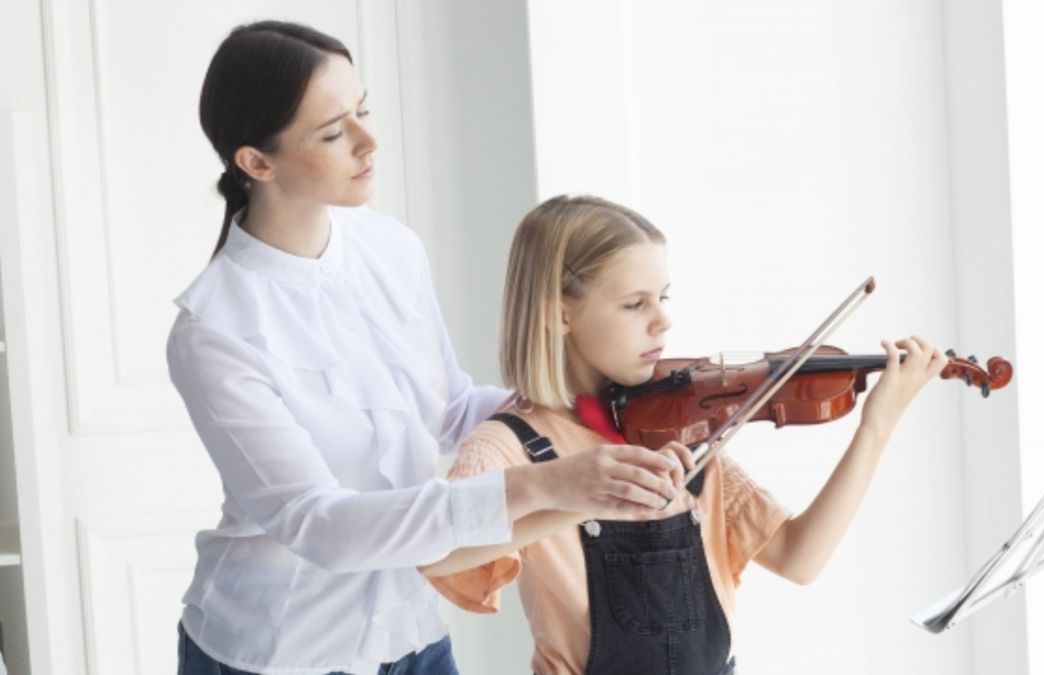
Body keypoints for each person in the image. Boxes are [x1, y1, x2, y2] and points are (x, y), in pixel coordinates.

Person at [169, 22, 682, 675]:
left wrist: (598, 410)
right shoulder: (213, 329)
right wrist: (544, 482)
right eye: (334, 132)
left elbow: (450, 407)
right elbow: (318, 523)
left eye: (364, 110)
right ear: (256, 162)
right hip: (280, 647)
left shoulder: (391, 248)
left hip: (411, 627)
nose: (368, 141)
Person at [420, 195, 950, 675]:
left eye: (664, 298)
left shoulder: (677, 429)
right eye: (635, 304)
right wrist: (572, 496)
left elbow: (799, 557)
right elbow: (434, 554)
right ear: (560, 314)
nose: (662, 322)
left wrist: (877, 423)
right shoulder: (511, 444)